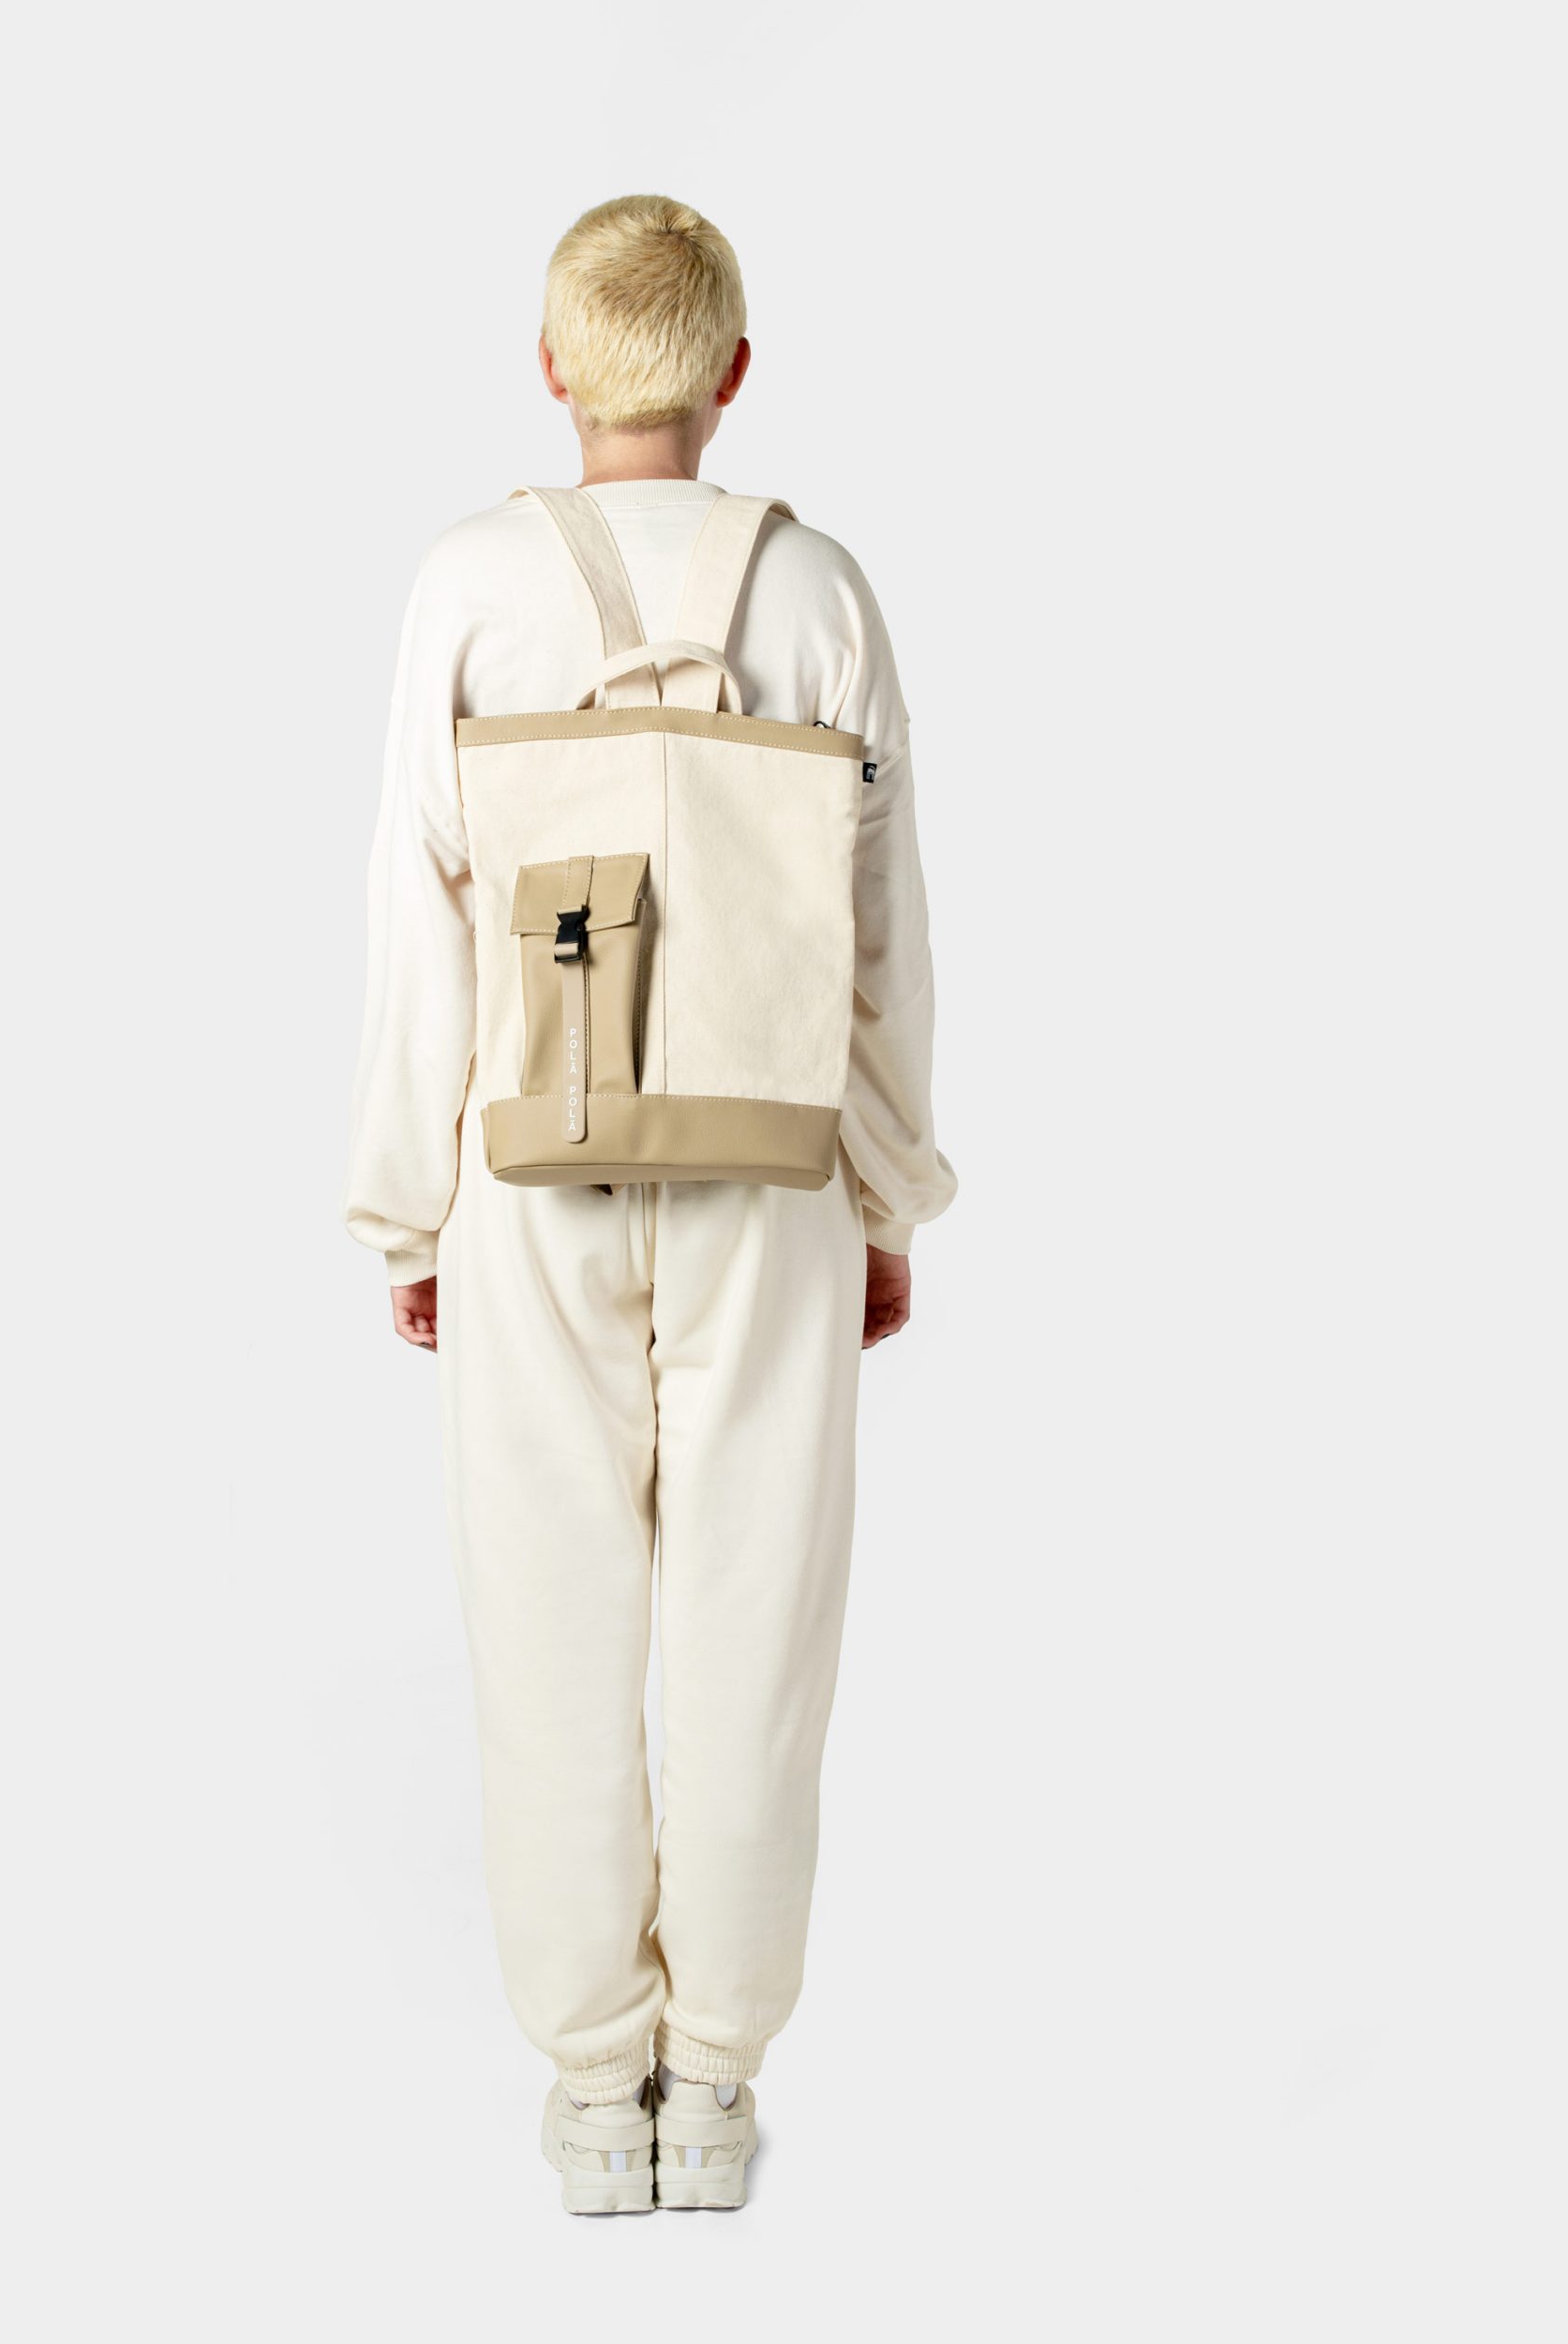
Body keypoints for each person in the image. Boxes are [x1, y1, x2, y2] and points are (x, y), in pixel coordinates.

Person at [343, 194, 954, 2212]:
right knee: (754, 1625)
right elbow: (884, 931)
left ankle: (596, 2088)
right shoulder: (824, 589)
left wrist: (409, 1209)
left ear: (551, 365)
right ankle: (719, 2082)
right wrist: (883, 1187)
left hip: (529, 1170)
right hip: (771, 1173)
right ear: (734, 370)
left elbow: (413, 915)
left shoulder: (466, 583)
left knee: (546, 1617)